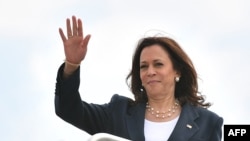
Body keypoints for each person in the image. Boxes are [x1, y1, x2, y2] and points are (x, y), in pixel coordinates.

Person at [54, 15, 223, 141]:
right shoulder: (118, 112)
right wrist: (72, 64)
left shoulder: (208, 123)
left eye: (158, 64)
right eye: (144, 66)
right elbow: (69, 110)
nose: (150, 71)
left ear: (177, 71)